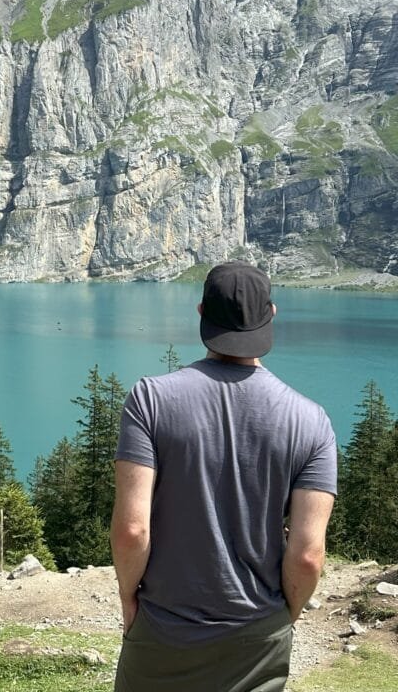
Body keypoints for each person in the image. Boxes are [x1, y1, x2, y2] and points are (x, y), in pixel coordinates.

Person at [111, 261, 337, 692]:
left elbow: (132, 529)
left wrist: (128, 599)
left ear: (200, 313)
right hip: (257, 637)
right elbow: (308, 555)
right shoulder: (312, 422)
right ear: (272, 314)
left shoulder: (150, 400)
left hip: (164, 630)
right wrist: (280, 620)